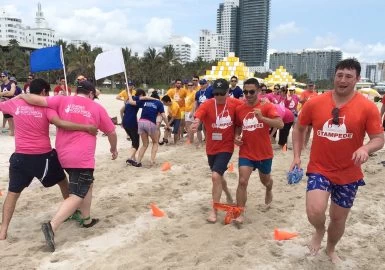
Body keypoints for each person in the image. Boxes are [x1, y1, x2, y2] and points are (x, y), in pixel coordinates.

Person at [290, 58, 384, 263]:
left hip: (349, 173)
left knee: (338, 218)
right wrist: (297, 156)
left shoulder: (367, 107)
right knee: (315, 211)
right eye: (339, 75)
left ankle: (331, 248)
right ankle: (318, 230)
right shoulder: (315, 102)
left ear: (357, 79)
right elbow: (299, 127)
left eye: (348, 76)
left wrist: (366, 148)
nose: (343, 80)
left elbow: (379, 139)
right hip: (319, 168)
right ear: (334, 76)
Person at [20, 81, 118, 252]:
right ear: (90, 94)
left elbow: (36, 100)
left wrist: (22, 95)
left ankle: (86, 220)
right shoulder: (96, 108)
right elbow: (111, 132)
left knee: (87, 184)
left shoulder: (62, 100)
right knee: (78, 193)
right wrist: (113, 149)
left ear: (76, 91)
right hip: (82, 157)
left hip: (63, 155)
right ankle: (52, 225)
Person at [0, 78, 97, 240]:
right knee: (62, 180)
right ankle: (73, 211)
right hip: (43, 157)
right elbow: (61, 124)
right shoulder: (47, 108)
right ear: (44, 92)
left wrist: (15, 97)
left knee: (12, 193)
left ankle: (3, 231)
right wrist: (86, 127)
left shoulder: (15, 104)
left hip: (20, 158)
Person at [191, 78, 243, 223]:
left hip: (226, 146)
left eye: (222, 93)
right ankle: (227, 192)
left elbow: (248, 106)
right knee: (218, 176)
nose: (219, 96)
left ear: (228, 92)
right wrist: (196, 123)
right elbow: (199, 115)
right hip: (211, 147)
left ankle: (213, 211)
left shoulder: (235, 103)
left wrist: (263, 102)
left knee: (215, 176)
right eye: (216, 93)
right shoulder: (208, 104)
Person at [233, 78, 283, 224]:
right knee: (242, 181)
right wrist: (236, 137)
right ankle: (240, 213)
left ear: (259, 91)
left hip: (264, 153)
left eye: (251, 92)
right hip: (246, 152)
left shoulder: (267, 107)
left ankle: (269, 189)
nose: (248, 94)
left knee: (265, 181)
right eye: (245, 91)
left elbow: (280, 124)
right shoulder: (240, 109)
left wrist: (262, 118)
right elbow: (237, 126)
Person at [126, 91, 170, 167]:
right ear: (158, 98)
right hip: (150, 123)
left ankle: (138, 162)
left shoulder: (146, 101)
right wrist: (168, 125)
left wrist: (130, 95)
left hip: (141, 122)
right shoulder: (159, 103)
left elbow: (131, 102)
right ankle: (152, 161)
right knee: (155, 142)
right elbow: (163, 116)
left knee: (145, 144)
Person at [121, 89, 146, 165]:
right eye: (143, 95)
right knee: (136, 143)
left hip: (125, 122)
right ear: (141, 95)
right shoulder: (138, 100)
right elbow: (144, 102)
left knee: (133, 140)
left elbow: (121, 110)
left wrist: (122, 120)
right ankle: (129, 158)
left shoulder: (129, 99)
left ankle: (133, 158)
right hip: (132, 122)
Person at [299, 81, 318, 148]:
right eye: (309, 86)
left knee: (309, 130)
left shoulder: (315, 94)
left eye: (312, 86)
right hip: (305, 112)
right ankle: (302, 144)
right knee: (305, 129)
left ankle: (305, 144)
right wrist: (306, 100)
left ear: (314, 86)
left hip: (312, 113)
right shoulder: (304, 92)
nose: (311, 87)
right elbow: (300, 101)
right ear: (307, 86)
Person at [0, 71, 16, 135]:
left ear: (7, 76)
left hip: (10, 102)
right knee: (8, 117)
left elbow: (12, 93)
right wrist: (5, 93)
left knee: (11, 117)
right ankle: (11, 131)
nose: (2, 77)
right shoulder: (1, 85)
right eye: (1, 76)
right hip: (4, 102)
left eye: (3, 76)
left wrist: (3, 94)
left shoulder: (12, 84)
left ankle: (13, 131)